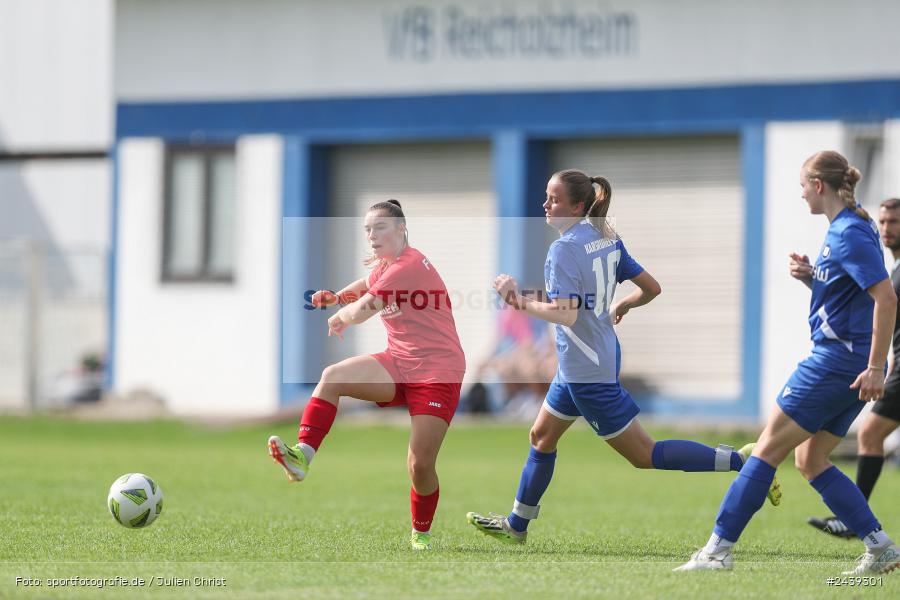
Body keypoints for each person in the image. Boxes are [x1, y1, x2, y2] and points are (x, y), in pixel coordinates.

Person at [465, 169, 780, 545]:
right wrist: (627, 303)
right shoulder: (605, 237)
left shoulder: (563, 249)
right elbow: (651, 287)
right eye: (546, 196)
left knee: (645, 455)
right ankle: (517, 526)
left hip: (586, 370)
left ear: (578, 205)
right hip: (586, 360)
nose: (545, 204)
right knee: (541, 436)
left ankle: (744, 461)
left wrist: (517, 300)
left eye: (554, 198)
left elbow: (565, 312)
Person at [676, 151, 900, 574]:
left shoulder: (849, 231)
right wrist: (812, 278)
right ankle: (880, 547)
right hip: (846, 364)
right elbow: (849, 295)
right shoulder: (851, 227)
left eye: (802, 186)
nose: (800, 194)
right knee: (810, 460)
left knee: (765, 451)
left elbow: (885, 299)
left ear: (818, 185)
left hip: (836, 363)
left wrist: (874, 366)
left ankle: (717, 551)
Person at [267, 199, 466, 551]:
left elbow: (362, 310)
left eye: (380, 228)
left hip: (437, 371)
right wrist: (336, 297)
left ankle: (421, 533)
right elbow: (366, 283)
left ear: (401, 228)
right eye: (368, 229)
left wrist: (342, 314)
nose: (372, 235)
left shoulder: (407, 265)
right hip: (399, 363)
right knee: (332, 377)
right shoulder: (388, 265)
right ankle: (302, 457)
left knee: (419, 465)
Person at [808, 197, 900, 539]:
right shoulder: (890, 272)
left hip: (895, 371)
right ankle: (855, 516)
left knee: (870, 434)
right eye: (884, 222)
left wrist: (877, 366)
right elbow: (864, 306)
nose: (887, 229)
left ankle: (854, 518)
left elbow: (883, 306)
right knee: (870, 434)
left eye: (895, 222)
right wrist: (814, 280)